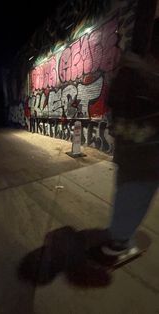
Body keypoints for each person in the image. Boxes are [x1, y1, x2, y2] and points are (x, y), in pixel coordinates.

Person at [90, 19, 159, 264]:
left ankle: (119, 239)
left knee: (126, 196)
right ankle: (119, 243)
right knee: (136, 198)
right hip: (148, 155)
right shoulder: (151, 76)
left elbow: (111, 106)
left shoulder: (127, 68)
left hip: (128, 150)